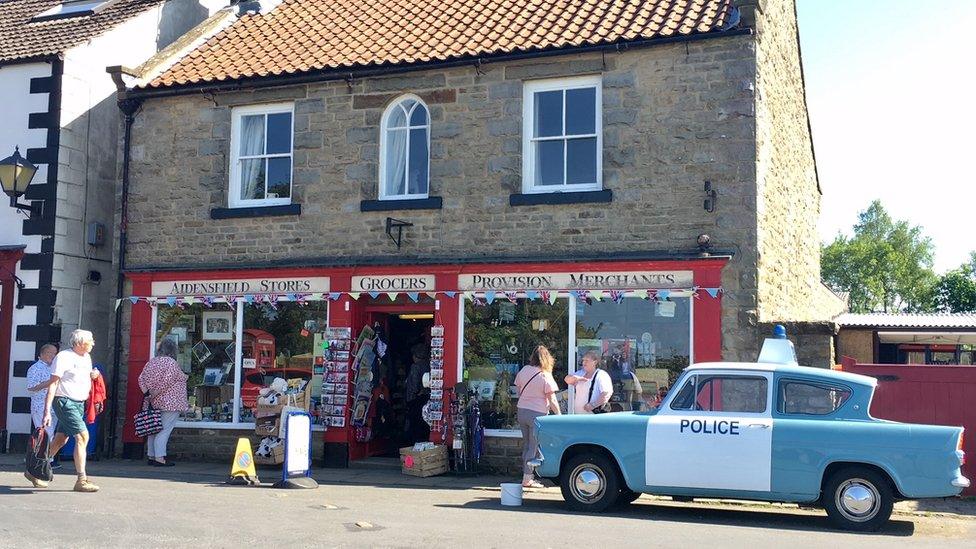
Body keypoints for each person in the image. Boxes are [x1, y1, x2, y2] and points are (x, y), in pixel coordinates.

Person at [33, 329, 101, 492]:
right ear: (79, 343)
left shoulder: (86, 357)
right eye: (90, 340)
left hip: (79, 403)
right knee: (82, 436)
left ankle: (35, 470)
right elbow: (53, 383)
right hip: (64, 402)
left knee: (60, 439)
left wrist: (93, 375)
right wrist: (47, 411)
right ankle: (81, 479)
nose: (93, 343)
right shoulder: (63, 357)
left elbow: (81, 378)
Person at [138, 337, 189, 466]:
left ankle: (151, 455)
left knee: (153, 429)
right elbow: (168, 381)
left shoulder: (151, 362)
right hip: (170, 402)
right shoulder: (171, 363)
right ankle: (159, 458)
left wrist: (148, 393)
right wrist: (185, 377)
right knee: (164, 430)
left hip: (152, 402)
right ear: (173, 350)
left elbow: (141, 378)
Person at [514, 345, 560, 488]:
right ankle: (527, 479)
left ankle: (528, 474)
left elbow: (518, 390)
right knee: (533, 446)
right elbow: (552, 399)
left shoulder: (524, 370)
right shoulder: (545, 375)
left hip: (522, 411)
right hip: (538, 414)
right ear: (547, 359)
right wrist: (559, 415)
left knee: (527, 445)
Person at [26, 344, 61, 469]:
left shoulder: (52, 368)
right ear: (42, 354)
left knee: (51, 433)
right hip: (40, 406)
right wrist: (49, 383)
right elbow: (31, 387)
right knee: (45, 433)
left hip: (52, 406)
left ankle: (47, 460)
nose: (53, 356)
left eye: (54, 353)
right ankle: (43, 461)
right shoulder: (35, 368)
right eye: (50, 353)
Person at [403, 343, 430, 444]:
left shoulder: (415, 367)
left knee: (415, 422)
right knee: (424, 422)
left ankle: (414, 443)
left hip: (416, 399)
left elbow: (413, 385)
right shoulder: (429, 365)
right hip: (426, 397)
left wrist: (412, 394)